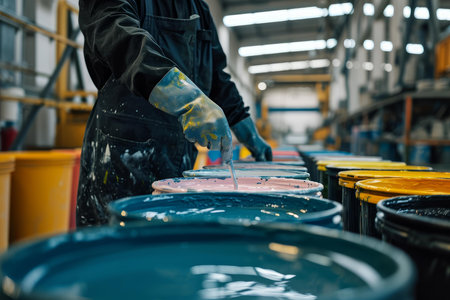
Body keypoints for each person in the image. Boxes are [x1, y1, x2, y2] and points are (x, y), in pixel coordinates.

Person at [77, 0, 272, 227]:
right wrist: (188, 98)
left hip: (179, 158)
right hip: (120, 158)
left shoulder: (198, 8)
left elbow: (217, 77)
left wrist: (247, 129)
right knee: (117, 251)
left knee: (169, 250)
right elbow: (120, 38)